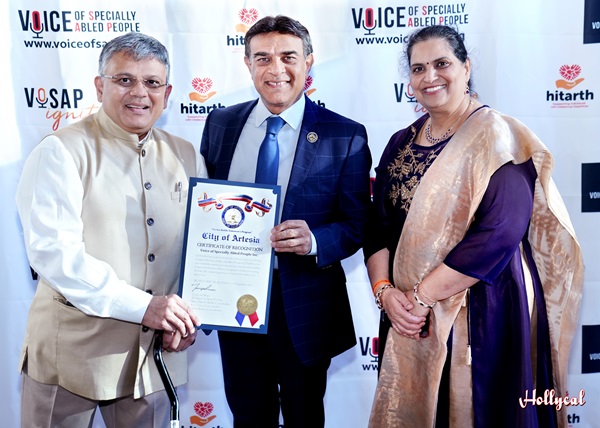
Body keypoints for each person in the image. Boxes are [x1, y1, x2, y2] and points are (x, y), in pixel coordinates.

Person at [364, 25, 583, 428]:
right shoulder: (399, 143)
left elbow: (500, 232)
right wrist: (385, 293)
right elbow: (376, 225)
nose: (430, 77)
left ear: (466, 67)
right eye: (418, 68)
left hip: (484, 305)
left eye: (442, 64)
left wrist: (422, 297)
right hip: (407, 314)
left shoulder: (498, 136)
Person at [16, 32, 207, 427]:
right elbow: (55, 255)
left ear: (167, 94)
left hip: (154, 360)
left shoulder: (187, 155)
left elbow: (202, 249)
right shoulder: (61, 151)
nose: (139, 92)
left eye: (152, 82)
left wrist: (190, 316)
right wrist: (146, 307)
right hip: (71, 360)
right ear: (100, 86)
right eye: (124, 80)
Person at [200, 15, 372, 428]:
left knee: (304, 416)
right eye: (263, 58)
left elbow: (357, 223)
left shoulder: (344, 135)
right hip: (235, 299)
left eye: (288, 56)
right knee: (247, 415)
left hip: (305, 304)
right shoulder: (220, 123)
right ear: (247, 64)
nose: (275, 68)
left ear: (309, 61)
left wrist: (315, 240)